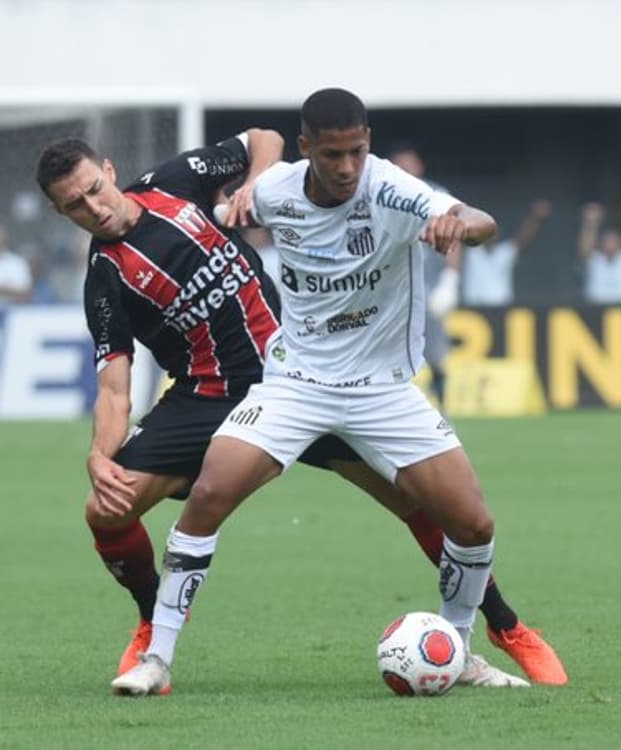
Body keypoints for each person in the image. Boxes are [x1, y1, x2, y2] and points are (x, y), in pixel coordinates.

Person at [35, 129, 563, 696]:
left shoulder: (176, 181)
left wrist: (255, 182)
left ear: (109, 172)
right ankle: (151, 622)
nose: (93, 208)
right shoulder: (105, 279)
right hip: (205, 395)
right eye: (75, 207)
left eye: (94, 189)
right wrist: (99, 455)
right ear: (61, 213)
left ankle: (505, 625)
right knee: (105, 511)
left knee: (418, 500)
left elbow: (264, 137)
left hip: (299, 373)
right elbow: (115, 387)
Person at [386, 144, 459, 405]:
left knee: (435, 351)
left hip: (427, 283)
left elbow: (455, 235)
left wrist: (450, 280)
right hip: (391, 286)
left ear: (419, 166)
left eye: (408, 164)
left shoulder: (435, 195)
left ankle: (442, 407)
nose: (404, 170)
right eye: (398, 165)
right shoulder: (383, 194)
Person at [460, 198, 553, 307]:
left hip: (502, 310)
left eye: (493, 232)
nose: (490, 236)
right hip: (473, 310)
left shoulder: (504, 253)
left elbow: (523, 239)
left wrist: (535, 218)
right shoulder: (471, 252)